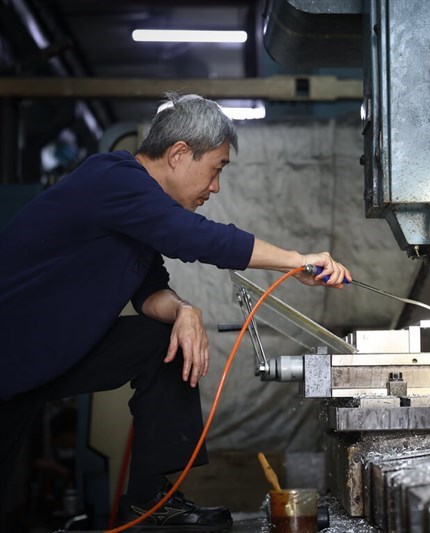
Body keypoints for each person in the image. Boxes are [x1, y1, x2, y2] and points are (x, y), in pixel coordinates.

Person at [0, 92, 351, 531]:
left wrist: (184, 311)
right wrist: (295, 259)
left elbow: (149, 292)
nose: (215, 186)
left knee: (163, 341)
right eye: (216, 169)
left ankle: (150, 499)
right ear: (179, 153)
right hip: (11, 354)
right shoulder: (113, 178)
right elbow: (198, 238)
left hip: (42, 358)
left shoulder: (138, 212)